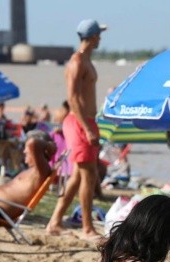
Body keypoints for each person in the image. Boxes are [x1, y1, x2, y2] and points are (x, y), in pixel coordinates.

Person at [46, 19, 107, 240]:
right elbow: (72, 98)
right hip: (78, 122)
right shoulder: (77, 62)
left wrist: (93, 125)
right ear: (91, 37)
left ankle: (54, 222)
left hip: (87, 121)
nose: (100, 38)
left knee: (78, 176)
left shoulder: (87, 61)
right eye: (98, 35)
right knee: (89, 174)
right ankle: (87, 228)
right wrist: (86, 128)